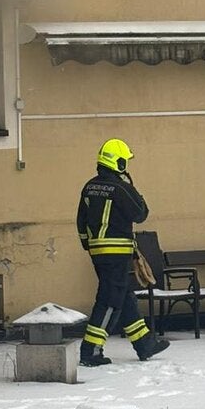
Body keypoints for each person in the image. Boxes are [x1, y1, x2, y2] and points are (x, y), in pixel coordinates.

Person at [76, 138, 169, 367]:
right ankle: (90, 350)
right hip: (117, 253)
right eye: (124, 161)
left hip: (98, 253)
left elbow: (81, 221)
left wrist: (89, 245)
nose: (126, 164)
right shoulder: (120, 188)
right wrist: (136, 191)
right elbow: (140, 214)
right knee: (109, 300)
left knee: (123, 295)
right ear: (117, 163)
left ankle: (144, 343)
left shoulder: (89, 186)